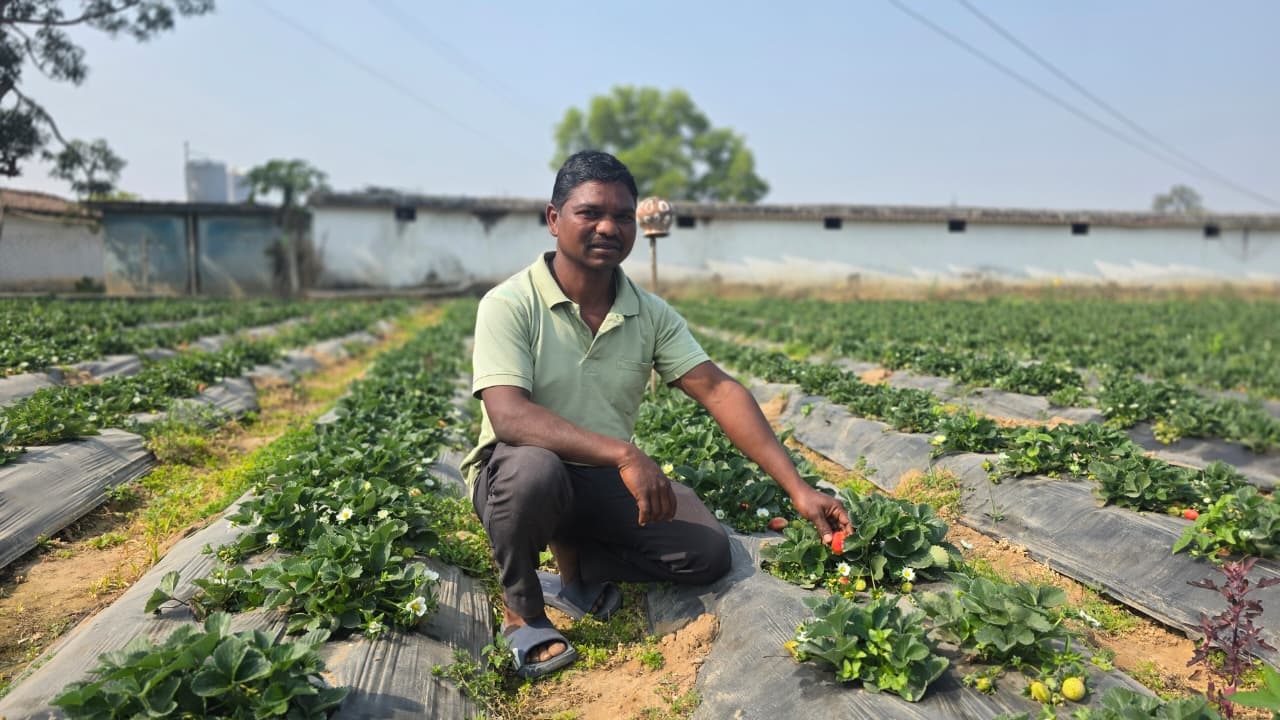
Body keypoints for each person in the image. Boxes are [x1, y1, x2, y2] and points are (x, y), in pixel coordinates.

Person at [459, 150, 851, 679]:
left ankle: (574, 574)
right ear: (554, 220)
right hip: (516, 473)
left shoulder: (647, 311)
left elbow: (717, 390)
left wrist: (798, 489)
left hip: (595, 478)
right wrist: (625, 453)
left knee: (706, 554)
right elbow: (510, 417)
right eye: (590, 213)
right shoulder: (509, 303)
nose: (608, 227)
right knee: (537, 470)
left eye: (623, 216)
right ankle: (522, 613)